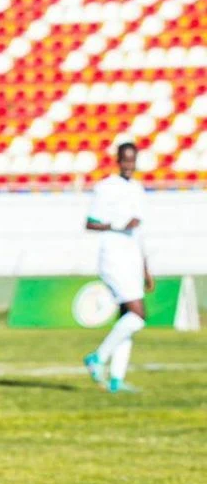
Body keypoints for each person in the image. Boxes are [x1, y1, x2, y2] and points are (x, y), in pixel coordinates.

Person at [83, 142, 153, 393]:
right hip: (113, 257)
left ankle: (116, 379)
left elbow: (139, 232)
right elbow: (90, 223)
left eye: (132, 160)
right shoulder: (106, 188)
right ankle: (98, 357)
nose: (128, 165)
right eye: (125, 160)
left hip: (132, 258)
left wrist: (145, 268)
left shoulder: (138, 189)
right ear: (117, 160)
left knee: (127, 317)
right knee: (138, 314)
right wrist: (118, 225)